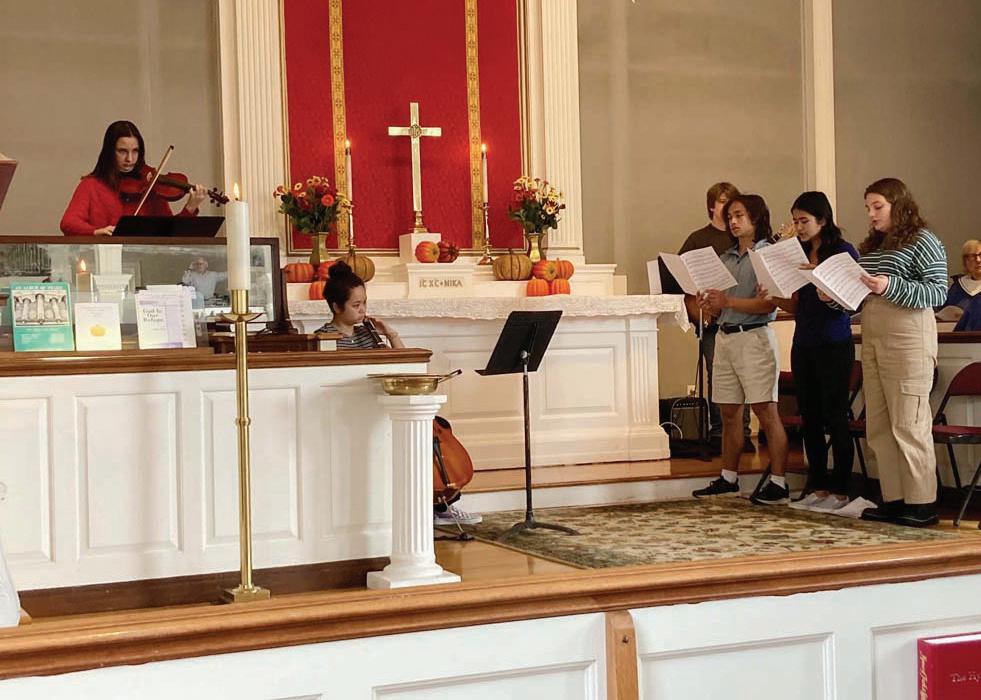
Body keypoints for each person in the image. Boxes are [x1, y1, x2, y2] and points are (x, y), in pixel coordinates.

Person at [851, 178, 947, 527]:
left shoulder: (924, 240)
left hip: (908, 337)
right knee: (879, 424)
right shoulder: (873, 246)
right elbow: (863, 293)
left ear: (899, 204)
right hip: (874, 334)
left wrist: (890, 285)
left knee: (909, 422)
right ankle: (894, 498)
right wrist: (834, 295)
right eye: (868, 208)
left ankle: (922, 502)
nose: (871, 214)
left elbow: (938, 292)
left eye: (878, 206)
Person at [759, 192, 858, 511]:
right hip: (804, 343)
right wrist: (773, 297)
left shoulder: (842, 251)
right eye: (795, 221)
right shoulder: (797, 253)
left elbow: (851, 301)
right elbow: (797, 306)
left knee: (836, 415)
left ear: (823, 220)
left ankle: (841, 489)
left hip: (834, 342)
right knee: (810, 417)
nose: (798, 227)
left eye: (804, 221)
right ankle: (817, 484)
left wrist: (824, 285)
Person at [692, 194, 790, 504]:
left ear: (756, 218)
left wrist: (728, 301)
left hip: (754, 337)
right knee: (729, 411)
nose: (733, 222)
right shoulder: (727, 257)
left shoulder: (767, 254)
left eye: (739, 216)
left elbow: (767, 305)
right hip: (726, 336)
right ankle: (729, 477)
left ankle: (779, 482)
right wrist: (710, 305)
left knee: (765, 410)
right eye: (730, 217)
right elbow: (721, 306)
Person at [669, 182, 753, 452]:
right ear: (711, 206)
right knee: (717, 377)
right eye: (723, 202)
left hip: (740, 319)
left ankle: (744, 434)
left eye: (733, 204)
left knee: (743, 377)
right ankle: (719, 433)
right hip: (711, 321)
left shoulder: (740, 239)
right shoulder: (698, 238)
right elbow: (679, 275)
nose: (728, 210)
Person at [60, 121, 207, 236]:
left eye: (135, 151)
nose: (130, 159)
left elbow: (170, 232)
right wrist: (97, 232)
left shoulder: (150, 186)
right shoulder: (91, 185)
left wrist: (190, 208)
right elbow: (68, 223)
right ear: (109, 152)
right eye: (122, 151)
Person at [315, 261, 405, 349]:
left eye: (364, 302)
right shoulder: (323, 336)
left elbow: (401, 358)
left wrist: (391, 334)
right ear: (337, 307)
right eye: (356, 305)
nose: (363, 310)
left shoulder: (367, 334)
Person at [937, 240, 981, 331]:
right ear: (965, 261)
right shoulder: (956, 288)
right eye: (972, 256)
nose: (978, 260)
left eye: (980, 255)